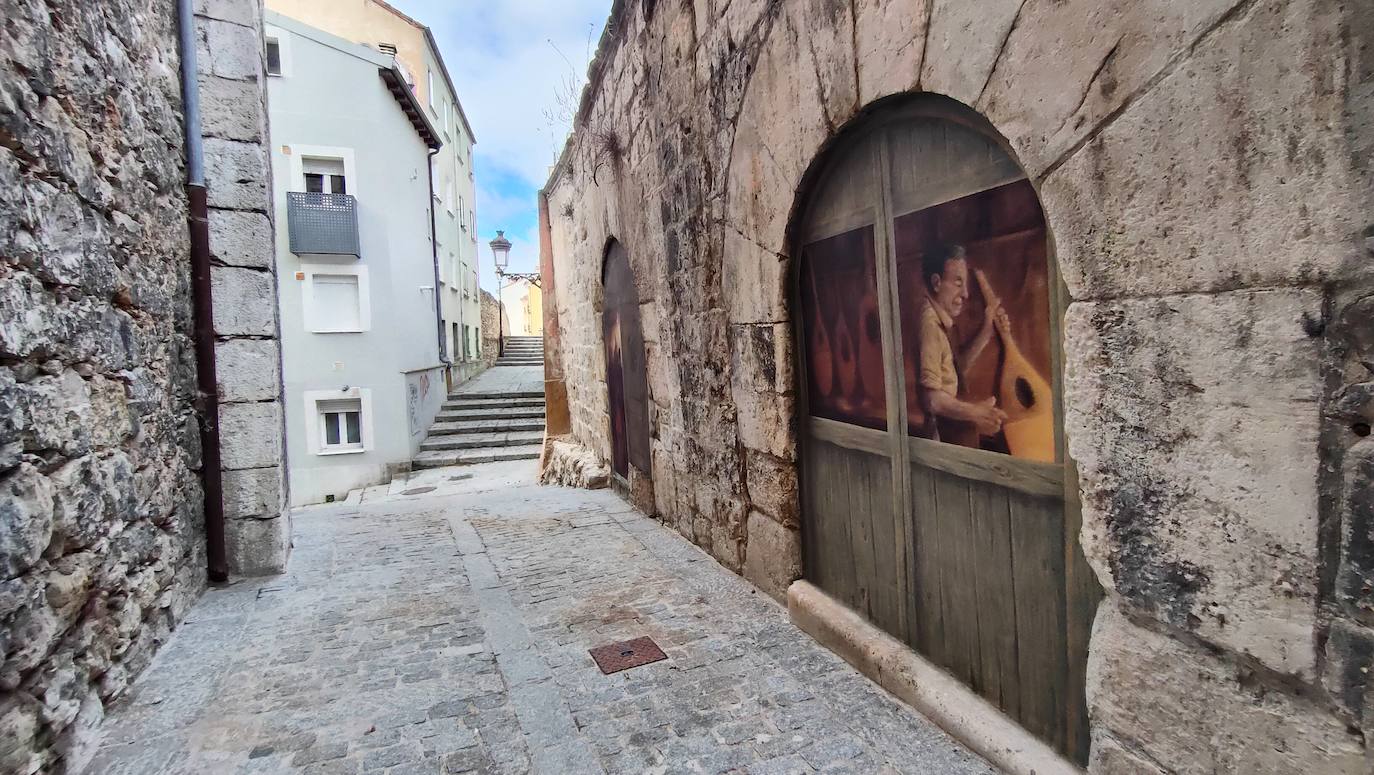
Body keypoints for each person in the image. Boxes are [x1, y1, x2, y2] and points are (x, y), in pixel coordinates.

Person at [917, 243, 1008, 445]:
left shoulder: (942, 321)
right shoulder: (930, 325)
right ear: (936, 282)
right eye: (958, 283)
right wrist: (976, 413)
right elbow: (931, 399)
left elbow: (955, 369)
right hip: (943, 436)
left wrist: (987, 330)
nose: (966, 294)